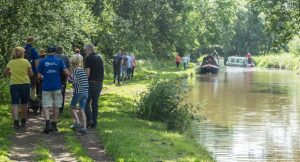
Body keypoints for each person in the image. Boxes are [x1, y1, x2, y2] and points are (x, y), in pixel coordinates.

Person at [37, 47, 69, 134]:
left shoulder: (42, 61)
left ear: (47, 52)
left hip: (46, 86)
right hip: (57, 86)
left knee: (45, 105)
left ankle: (47, 123)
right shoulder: (59, 61)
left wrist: (44, 77)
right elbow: (66, 72)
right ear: (54, 52)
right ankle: (54, 124)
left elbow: (39, 76)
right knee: (56, 105)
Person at [4, 47, 33, 129]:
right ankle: (23, 121)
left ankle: (16, 122)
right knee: (24, 103)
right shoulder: (26, 61)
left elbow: (5, 72)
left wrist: (12, 73)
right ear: (22, 53)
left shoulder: (11, 62)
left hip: (14, 85)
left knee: (15, 103)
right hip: (25, 84)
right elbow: (31, 74)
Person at [84, 44, 104, 128]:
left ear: (89, 49)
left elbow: (87, 72)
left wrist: (83, 82)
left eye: (85, 50)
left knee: (85, 102)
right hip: (99, 83)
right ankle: (94, 122)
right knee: (95, 103)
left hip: (91, 83)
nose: (84, 52)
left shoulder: (88, 58)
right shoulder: (99, 57)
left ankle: (90, 119)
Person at [69, 56, 89, 134]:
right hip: (86, 92)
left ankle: (77, 123)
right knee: (82, 109)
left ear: (72, 63)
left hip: (79, 91)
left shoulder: (75, 71)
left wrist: (69, 77)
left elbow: (71, 80)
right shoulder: (82, 70)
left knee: (71, 107)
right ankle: (84, 127)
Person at [55, 46, 71, 113]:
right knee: (62, 92)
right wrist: (68, 76)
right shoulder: (65, 57)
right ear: (62, 51)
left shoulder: (53, 57)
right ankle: (60, 108)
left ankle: (55, 107)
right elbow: (69, 68)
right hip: (63, 76)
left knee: (55, 92)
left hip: (54, 76)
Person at [24, 36, 39, 101]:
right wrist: (38, 72)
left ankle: (23, 100)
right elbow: (36, 63)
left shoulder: (22, 49)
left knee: (24, 85)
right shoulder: (34, 50)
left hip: (23, 71)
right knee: (32, 86)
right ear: (32, 42)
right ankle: (31, 99)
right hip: (32, 71)